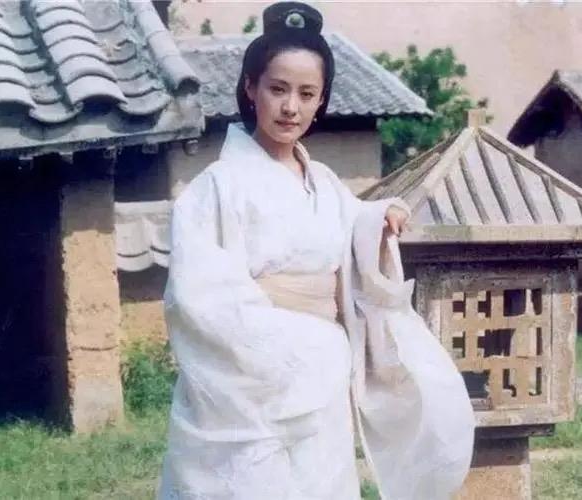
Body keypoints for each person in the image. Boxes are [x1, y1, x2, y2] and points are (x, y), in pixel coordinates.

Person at [157, 3, 473, 499]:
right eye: (277, 89)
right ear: (250, 88)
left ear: (321, 99)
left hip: (323, 373)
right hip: (254, 385)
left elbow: (353, 227)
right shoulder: (216, 186)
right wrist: (291, 350)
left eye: (307, 94)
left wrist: (381, 218)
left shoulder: (323, 182)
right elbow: (200, 298)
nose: (291, 107)